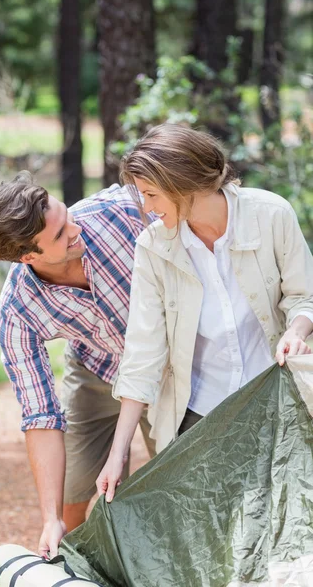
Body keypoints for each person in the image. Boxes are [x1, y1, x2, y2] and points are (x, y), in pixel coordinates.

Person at [96, 123, 313, 502]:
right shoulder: (152, 246)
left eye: (151, 194)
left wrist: (297, 330)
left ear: (185, 184)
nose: (146, 208)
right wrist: (118, 454)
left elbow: (304, 295)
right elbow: (143, 351)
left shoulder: (271, 215)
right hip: (198, 417)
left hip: (276, 404)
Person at [0, 171, 156, 557]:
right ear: (28, 257)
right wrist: (49, 517)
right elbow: (40, 414)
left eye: (65, 216)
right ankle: (69, 567)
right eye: (59, 234)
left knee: (182, 477)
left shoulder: (120, 212)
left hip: (172, 364)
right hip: (98, 368)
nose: (75, 228)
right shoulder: (17, 311)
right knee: (74, 492)